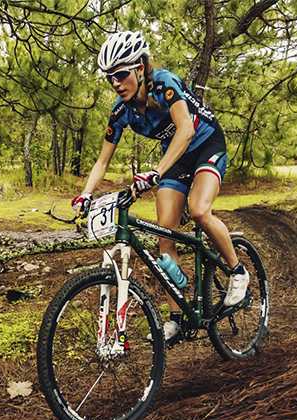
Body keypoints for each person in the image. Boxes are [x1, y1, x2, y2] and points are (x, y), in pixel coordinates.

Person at [71, 31, 249, 342]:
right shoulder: (120, 110)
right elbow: (102, 162)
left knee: (198, 210)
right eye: (110, 77)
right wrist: (85, 194)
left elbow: (184, 131)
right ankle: (177, 317)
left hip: (205, 144)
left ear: (140, 68)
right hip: (176, 158)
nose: (116, 82)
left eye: (121, 74)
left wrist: (154, 171)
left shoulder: (164, 84)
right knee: (164, 234)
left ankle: (237, 272)